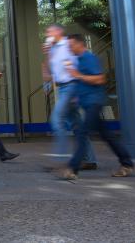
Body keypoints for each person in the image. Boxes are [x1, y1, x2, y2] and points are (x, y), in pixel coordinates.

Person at [59, 34, 134, 180]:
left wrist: (78, 75)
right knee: (107, 135)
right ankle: (127, 163)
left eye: (71, 45)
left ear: (80, 44)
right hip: (88, 103)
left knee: (82, 133)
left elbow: (100, 79)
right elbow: (83, 81)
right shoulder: (79, 60)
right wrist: (76, 96)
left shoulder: (89, 58)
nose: (69, 48)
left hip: (94, 102)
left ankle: (72, 168)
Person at [43, 24, 97, 169]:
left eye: (50, 31)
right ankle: (89, 160)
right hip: (62, 88)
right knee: (77, 125)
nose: (47, 34)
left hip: (71, 86)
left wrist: (78, 89)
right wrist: (47, 53)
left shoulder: (69, 44)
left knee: (56, 119)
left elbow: (80, 63)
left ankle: (60, 159)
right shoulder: (53, 49)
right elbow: (49, 71)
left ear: (59, 31)